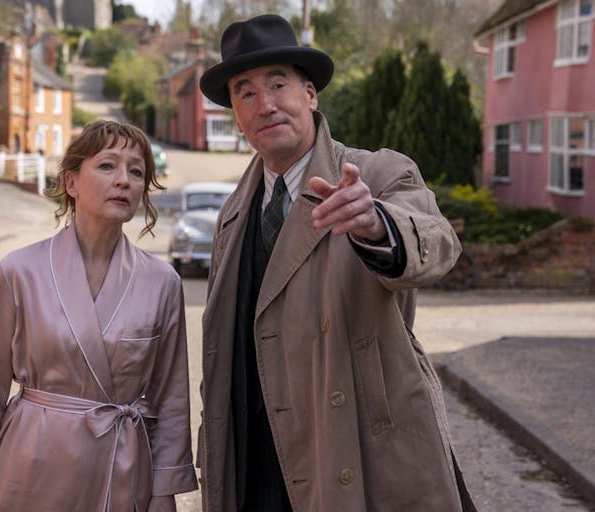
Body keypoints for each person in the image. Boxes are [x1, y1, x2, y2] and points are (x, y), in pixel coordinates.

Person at [196, 14, 475, 512]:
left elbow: (438, 243)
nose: (266, 104)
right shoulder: (232, 214)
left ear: (310, 95)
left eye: (278, 84)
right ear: (237, 117)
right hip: (255, 461)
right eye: (246, 92)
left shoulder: (378, 173)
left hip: (349, 449)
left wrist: (377, 225)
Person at [0, 120, 198, 512]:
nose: (124, 180)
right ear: (72, 182)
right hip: (30, 465)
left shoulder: (162, 282)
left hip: (121, 468)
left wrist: (165, 491)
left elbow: (171, 400)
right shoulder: (19, 271)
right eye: (108, 165)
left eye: (136, 171)